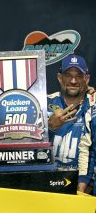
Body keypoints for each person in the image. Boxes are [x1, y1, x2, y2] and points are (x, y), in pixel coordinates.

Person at [47, 54, 94, 193]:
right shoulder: (44, 104)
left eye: (79, 76)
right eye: (68, 75)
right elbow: (29, 147)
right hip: (46, 182)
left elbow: (93, 153)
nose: (73, 81)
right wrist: (50, 127)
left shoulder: (93, 105)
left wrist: (83, 187)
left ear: (87, 79)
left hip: (84, 186)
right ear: (59, 77)